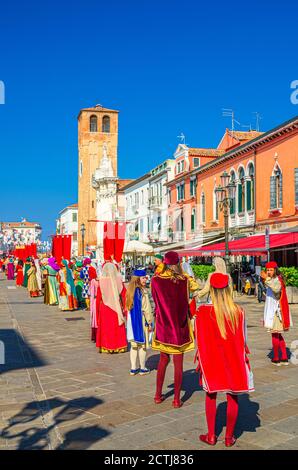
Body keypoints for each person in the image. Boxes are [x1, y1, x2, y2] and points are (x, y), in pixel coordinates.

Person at [195, 272, 254, 447]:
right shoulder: (238, 311)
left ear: (211, 289)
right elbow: (243, 339)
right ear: (228, 289)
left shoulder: (202, 312)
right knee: (233, 396)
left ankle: (211, 435)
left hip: (211, 358)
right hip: (233, 359)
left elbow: (199, 338)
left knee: (210, 395)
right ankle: (229, 437)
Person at [151, 251, 198, 408]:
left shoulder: (155, 280)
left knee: (163, 360)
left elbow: (155, 301)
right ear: (178, 263)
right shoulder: (185, 280)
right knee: (179, 364)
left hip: (163, 327)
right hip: (180, 327)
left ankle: (158, 395)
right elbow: (196, 287)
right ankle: (177, 399)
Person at [261, 261, 292, 366]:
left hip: (277, 312)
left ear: (275, 270)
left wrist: (266, 279)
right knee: (278, 335)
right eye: (267, 270)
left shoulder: (277, 279)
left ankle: (276, 357)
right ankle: (283, 357)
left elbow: (277, 290)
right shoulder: (273, 279)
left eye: (271, 270)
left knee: (275, 335)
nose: (269, 272)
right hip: (273, 310)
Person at [126, 269, 154, 376]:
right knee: (142, 345)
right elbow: (147, 309)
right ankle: (142, 368)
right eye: (143, 278)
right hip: (141, 321)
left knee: (133, 345)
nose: (145, 280)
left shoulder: (129, 290)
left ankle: (133, 368)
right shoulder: (143, 291)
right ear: (138, 279)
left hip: (131, 321)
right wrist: (150, 321)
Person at [96, 262, 127, 353]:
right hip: (116, 306)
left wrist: (97, 311)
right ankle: (119, 346)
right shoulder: (119, 280)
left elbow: (98, 298)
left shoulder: (101, 281)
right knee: (117, 326)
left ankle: (106, 347)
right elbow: (124, 294)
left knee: (106, 328)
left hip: (105, 307)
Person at [90, 275, 100, 342]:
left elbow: (92, 293)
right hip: (101, 300)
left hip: (97, 299)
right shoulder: (94, 280)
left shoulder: (94, 280)